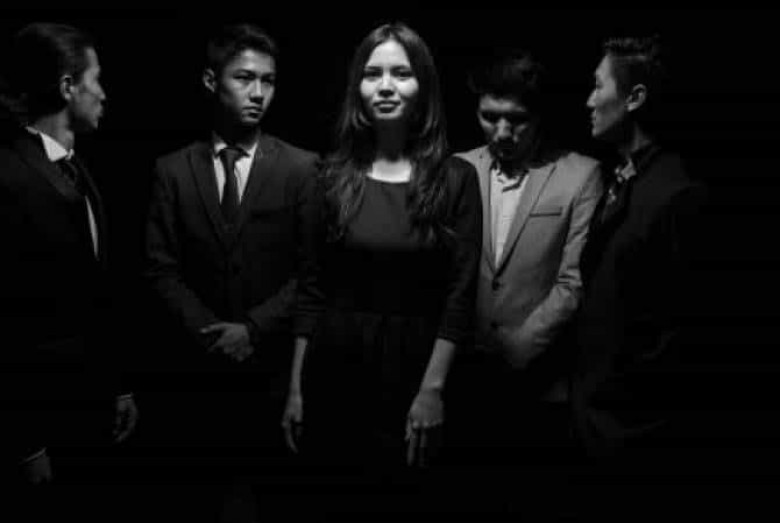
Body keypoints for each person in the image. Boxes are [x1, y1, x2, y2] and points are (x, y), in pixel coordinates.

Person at [285, 22, 482, 519]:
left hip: (413, 368)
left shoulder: (456, 179)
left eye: (401, 73)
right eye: (373, 74)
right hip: (334, 368)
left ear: (424, 87)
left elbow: (459, 297)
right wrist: (296, 389)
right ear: (358, 88)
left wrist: (433, 390)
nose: (387, 86)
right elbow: (312, 291)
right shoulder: (329, 177)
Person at [143, 23, 319, 521]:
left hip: (274, 378)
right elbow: (159, 268)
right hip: (194, 385)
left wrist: (254, 329)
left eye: (269, 80)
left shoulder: (302, 168)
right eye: (244, 78)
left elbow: (313, 272)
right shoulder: (172, 170)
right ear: (210, 80)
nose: (259, 92)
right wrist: (213, 335)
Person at [0, 22, 137, 522]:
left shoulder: (78, 169)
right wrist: (25, 443)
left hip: (90, 413)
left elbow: (96, 296)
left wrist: (117, 386)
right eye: (96, 79)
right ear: (66, 86)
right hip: (45, 422)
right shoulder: (8, 175)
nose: (104, 93)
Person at [451, 50, 603, 478]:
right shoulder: (458, 167)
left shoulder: (581, 175)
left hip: (539, 384)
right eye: (489, 117)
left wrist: (519, 345)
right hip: (459, 375)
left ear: (539, 116)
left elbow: (574, 281)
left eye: (517, 120)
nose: (502, 132)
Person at [571, 35, 707, 513]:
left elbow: (679, 337)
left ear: (634, 98)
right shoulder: (623, 178)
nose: (588, 101)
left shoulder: (677, 195)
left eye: (597, 86)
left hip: (632, 443)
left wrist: (623, 416)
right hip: (592, 428)